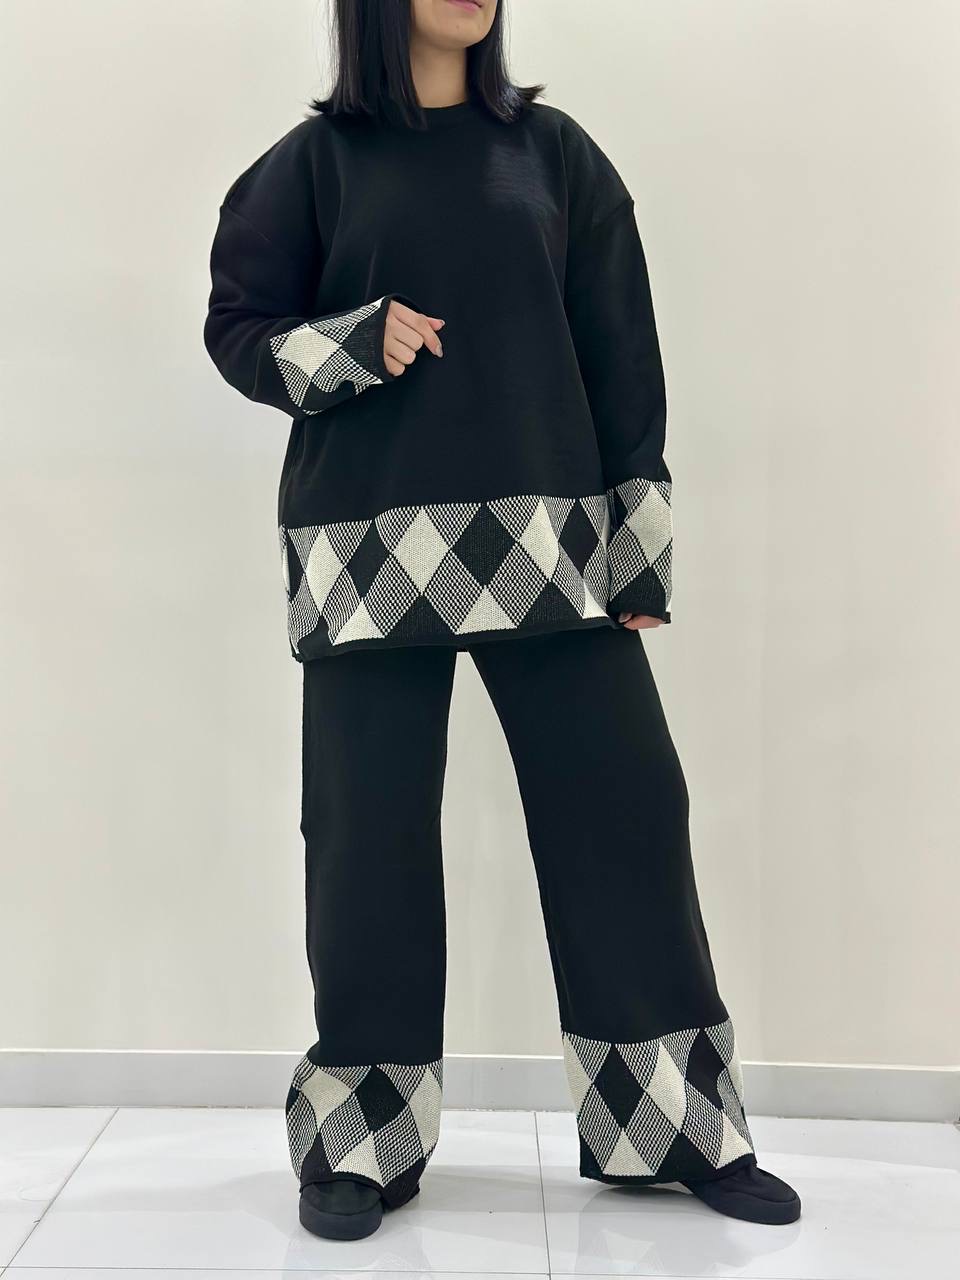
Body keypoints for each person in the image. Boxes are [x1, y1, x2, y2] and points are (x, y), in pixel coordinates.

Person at [203, 0, 800, 1242]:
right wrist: (353, 343)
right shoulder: (313, 165)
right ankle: (361, 1140)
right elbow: (238, 330)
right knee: (365, 845)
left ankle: (671, 1125)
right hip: (368, 554)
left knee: (627, 814)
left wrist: (637, 550)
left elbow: (623, 356)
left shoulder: (555, 152)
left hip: (553, 553)